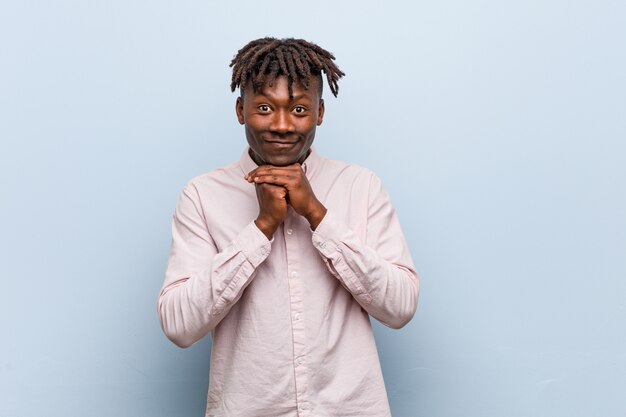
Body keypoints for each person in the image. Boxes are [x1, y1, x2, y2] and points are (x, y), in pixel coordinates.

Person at [157, 37, 419, 417]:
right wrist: (261, 227)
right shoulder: (202, 196)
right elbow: (179, 325)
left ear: (320, 112)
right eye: (264, 107)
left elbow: (400, 307)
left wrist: (317, 214)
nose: (282, 125)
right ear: (240, 110)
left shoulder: (361, 187)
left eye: (298, 108)